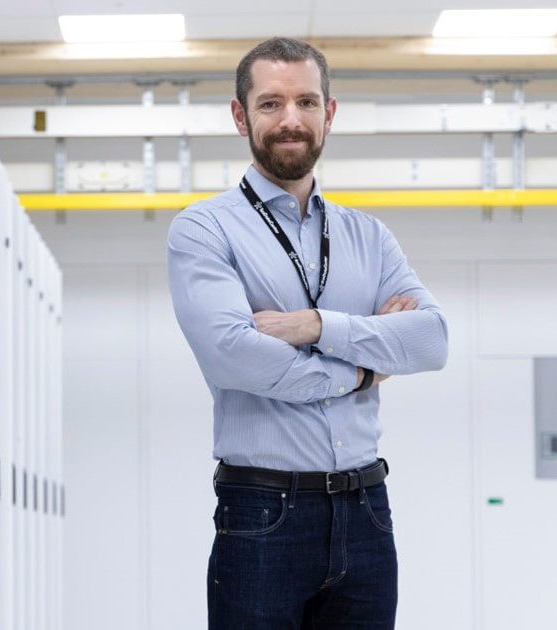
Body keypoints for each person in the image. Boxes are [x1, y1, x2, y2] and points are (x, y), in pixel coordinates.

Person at [167, 37, 448, 629]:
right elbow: (236, 358)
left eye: (305, 102)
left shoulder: (368, 237)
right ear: (240, 115)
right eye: (270, 104)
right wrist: (367, 367)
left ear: (329, 112)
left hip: (366, 509)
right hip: (262, 513)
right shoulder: (204, 230)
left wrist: (319, 325)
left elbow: (431, 341)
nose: (290, 119)